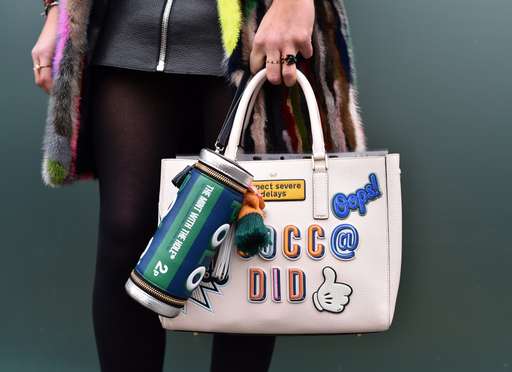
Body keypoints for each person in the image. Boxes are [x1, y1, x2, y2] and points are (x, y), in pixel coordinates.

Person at [32, 1, 366, 371]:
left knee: (247, 244)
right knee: (125, 237)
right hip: (128, 31)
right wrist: (55, 13)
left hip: (248, 35)